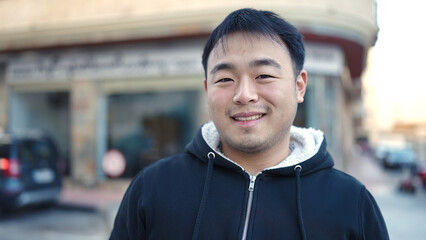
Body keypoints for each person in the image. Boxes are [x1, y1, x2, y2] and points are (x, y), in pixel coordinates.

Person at [109, 8, 389, 240]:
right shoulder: (152, 189)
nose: (244, 95)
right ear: (208, 89)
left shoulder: (351, 203)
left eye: (264, 75)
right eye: (225, 79)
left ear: (299, 86)